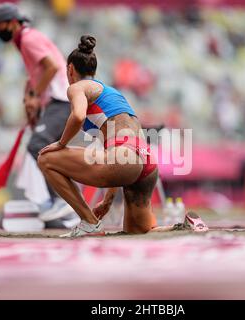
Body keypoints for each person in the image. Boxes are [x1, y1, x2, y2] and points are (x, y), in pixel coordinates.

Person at [38, 35, 159, 237]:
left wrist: (61, 143)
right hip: (145, 163)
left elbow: (77, 116)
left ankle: (89, 222)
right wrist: (108, 200)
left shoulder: (77, 87)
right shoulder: (113, 93)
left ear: (70, 70)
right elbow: (114, 150)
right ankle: (188, 226)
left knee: (46, 159)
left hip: (124, 158)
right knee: (139, 231)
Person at [0, 2, 78, 227]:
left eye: (0, 25)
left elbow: (51, 67)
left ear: (12, 23)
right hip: (57, 101)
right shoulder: (25, 40)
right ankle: (65, 199)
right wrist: (31, 100)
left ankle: (60, 199)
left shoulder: (28, 40)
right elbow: (35, 75)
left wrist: (34, 96)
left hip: (61, 99)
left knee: (38, 145)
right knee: (50, 150)